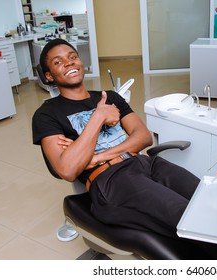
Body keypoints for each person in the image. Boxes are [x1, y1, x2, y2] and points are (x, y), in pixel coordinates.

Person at [32, 39, 200, 239]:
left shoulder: (110, 96)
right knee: (188, 218)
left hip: (146, 163)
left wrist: (94, 157)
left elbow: (144, 137)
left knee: (208, 199)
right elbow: (68, 169)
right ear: (49, 76)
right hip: (112, 179)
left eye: (72, 57)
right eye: (58, 62)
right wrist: (99, 117)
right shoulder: (46, 114)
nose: (69, 62)